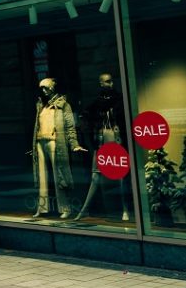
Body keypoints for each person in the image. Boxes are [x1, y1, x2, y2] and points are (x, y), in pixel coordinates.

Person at [76, 74, 129, 222]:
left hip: (115, 138)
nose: (110, 84)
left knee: (120, 175)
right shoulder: (96, 103)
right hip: (101, 140)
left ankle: (125, 209)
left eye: (111, 81)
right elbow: (86, 117)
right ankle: (84, 209)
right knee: (95, 176)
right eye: (107, 82)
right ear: (101, 83)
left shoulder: (118, 100)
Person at [30, 78, 84, 219]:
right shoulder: (41, 105)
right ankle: (42, 208)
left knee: (59, 176)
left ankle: (65, 208)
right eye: (42, 88)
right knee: (42, 177)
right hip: (40, 142)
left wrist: (74, 144)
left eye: (45, 88)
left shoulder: (63, 105)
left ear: (52, 88)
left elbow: (70, 127)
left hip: (55, 142)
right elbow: (37, 126)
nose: (43, 91)